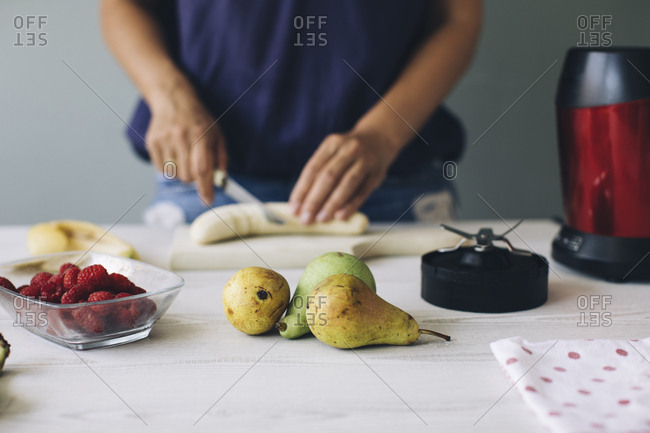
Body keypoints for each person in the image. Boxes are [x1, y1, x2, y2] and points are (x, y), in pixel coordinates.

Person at [101, 0, 482, 225]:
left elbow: (455, 16)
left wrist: (382, 135)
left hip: (392, 183)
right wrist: (169, 97)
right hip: (208, 183)